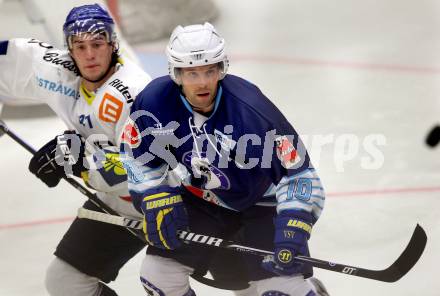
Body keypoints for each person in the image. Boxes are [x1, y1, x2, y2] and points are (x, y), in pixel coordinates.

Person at [121, 22, 329, 295]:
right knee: (158, 275)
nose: (203, 82)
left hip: (262, 205)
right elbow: (137, 155)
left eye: (210, 70)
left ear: (221, 68)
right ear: (176, 73)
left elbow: (300, 175)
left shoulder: (252, 111)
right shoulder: (152, 102)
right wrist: (153, 193)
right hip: (202, 199)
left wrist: (294, 222)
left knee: (279, 289)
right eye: (192, 73)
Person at [0, 4, 151, 296]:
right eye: (79, 46)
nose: (89, 55)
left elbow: (145, 171)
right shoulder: (58, 71)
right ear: (69, 47)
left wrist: (78, 160)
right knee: (65, 282)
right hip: (118, 202)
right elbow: (9, 56)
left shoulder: (137, 94)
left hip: (168, 200)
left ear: (112, 44)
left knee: (235, 279)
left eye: (97, 44)